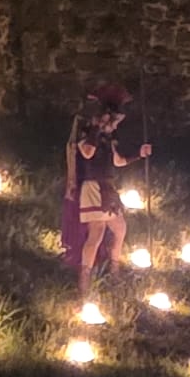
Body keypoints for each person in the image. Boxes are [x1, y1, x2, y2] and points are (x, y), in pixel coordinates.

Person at [65, 86, 152, 302]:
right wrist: (97, 128)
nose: (115, 126)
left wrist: (138, 155)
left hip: (108, 188)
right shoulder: (89, 136)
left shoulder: (108, 140)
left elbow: (118, 161)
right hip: (93, 189)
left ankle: (114, 272)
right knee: (96, 234)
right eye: (114, 122)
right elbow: (86, 152)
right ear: (105, 120)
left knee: (120, 228)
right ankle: (84, 282)